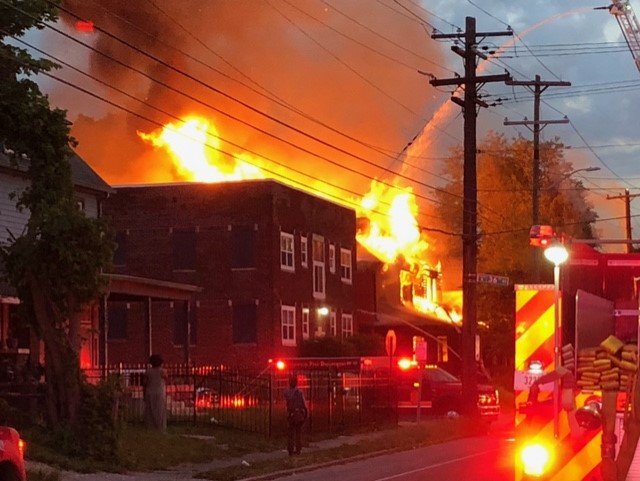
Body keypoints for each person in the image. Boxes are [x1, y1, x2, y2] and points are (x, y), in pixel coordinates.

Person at [284, 374, 308, 456]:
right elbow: (304, 405)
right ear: (296, 383)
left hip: (291, 414)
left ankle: (290, 449)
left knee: (290, 433)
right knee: (298, 433)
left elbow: (286, 402)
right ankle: (298, 449)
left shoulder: (286, 392)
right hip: (299, 414)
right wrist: (305, 413)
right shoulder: (299, 393)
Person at [143, 354, 167, 432]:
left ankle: (150, 427)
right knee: (160, 411)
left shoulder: (148, 371)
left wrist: (144, 393)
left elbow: (145, 383)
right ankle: (160, 427)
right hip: (160, 393)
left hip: (150, 392)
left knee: (150, 411)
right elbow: (166, 378)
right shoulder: (162, 371)